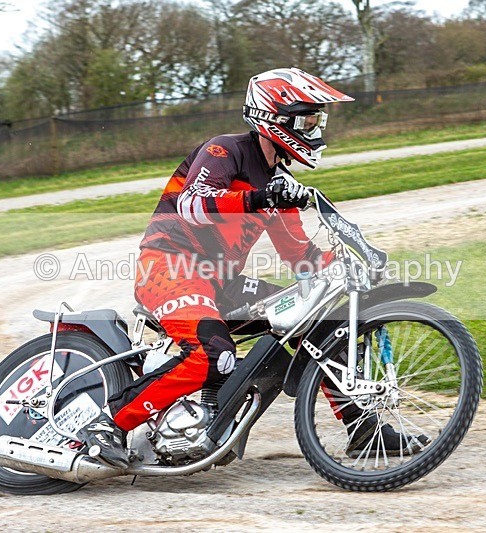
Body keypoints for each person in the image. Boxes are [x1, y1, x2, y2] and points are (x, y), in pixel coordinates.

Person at [79, 68, 425, 468]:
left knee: (312, 321)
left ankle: (364, 429)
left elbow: (300, 258)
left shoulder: (279, 183)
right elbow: (193, 203)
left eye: (318, 120)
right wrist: (259, 198)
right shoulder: (224, 152)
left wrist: (348, 266)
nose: (314, 128)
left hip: (220, 283)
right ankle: (109, 425)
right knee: (212, 352)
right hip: (169, 266)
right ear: (276, 118)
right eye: (307, 119)